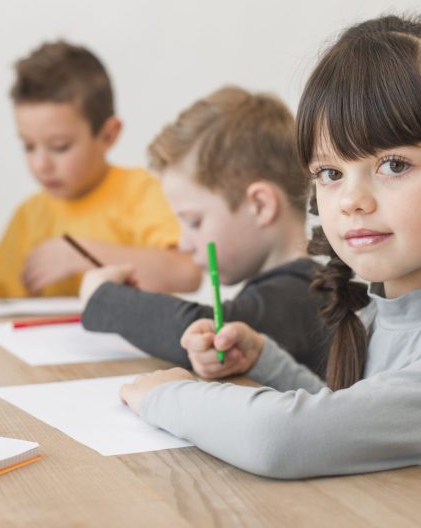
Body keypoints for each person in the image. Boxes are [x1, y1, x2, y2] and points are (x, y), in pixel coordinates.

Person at [119, 16, 421, 523]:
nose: (352, 201)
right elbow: (345, 418)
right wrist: (261, 361)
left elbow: (283, 438)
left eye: (393, 164)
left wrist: (167, 397)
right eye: (330, 173)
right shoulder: (382, 317)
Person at [79, 86, 328, 374]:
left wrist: (105, 298)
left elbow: (208, 332)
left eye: (194, 222)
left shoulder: (301, 297)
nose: (184, 243)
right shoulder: (289, 290)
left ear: (260, 205)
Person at [0, 41, 200, 299]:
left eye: (59, 147)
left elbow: (187, 273)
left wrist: (80, 255)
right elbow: (2, 300)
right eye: (28, 146)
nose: (40, 164)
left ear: (108, 135)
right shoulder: (29, 215)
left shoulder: (141, 191)